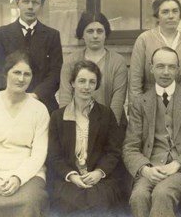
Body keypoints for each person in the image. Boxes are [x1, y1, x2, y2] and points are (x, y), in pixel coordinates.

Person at [123, 47, 181, 217]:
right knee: (138, 196)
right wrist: (145, 169)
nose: (166, 72)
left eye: (171, 67)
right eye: (160, 66)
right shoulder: (140, 103)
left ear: (178, 69)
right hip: (151, 168)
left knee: (162, 193)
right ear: (151, 68)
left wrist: (176, 164)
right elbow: (130, 147)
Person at [0, 51, 50, 216]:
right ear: (6, 73)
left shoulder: (39, 110)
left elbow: (39, 154)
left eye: (27, 74)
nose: (21, 79)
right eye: (16, 72)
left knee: (30, 202)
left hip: (28, 174)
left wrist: (18, 178)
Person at [48, 60, 124, 216]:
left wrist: (99, 172)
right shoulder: (58, 117)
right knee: (70, 203)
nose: (86, 86)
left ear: (96, 85)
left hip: (99, 178)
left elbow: (113, 151)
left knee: (99, 202)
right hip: (68, 179)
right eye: (82, 81)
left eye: (92, 82)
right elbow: (54, 155)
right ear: (72, 83)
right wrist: (72, 175)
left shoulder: (106, 114)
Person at [0, 0, 63, 114]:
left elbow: (56, 74)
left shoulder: (52, 36)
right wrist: (14, 94)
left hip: (43, 104)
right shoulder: (1, 34)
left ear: (41, 6)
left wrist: (36, 96)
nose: (30, 7)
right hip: (9, 104)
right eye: (26, 1)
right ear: (17, 3)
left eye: (35, 3)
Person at [128, 0, 181, 107]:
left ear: (180, 15)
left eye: (175, 11)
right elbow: (135, 81)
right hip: (151, 104)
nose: (171, 16)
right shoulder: (144, 40)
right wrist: (138, 109)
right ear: (157, 16)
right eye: (165, 12)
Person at [59, 12, 127, 125]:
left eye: (100, 31)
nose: (95, 36)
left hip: (109, 125)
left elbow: (117, 103)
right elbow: (65, 97)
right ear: (82, 34)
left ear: (106, 34)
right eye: (90, 31)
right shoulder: (70, 61)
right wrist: (68, 127)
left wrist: (108, 129)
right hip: (77, 124)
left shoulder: (117, 62)